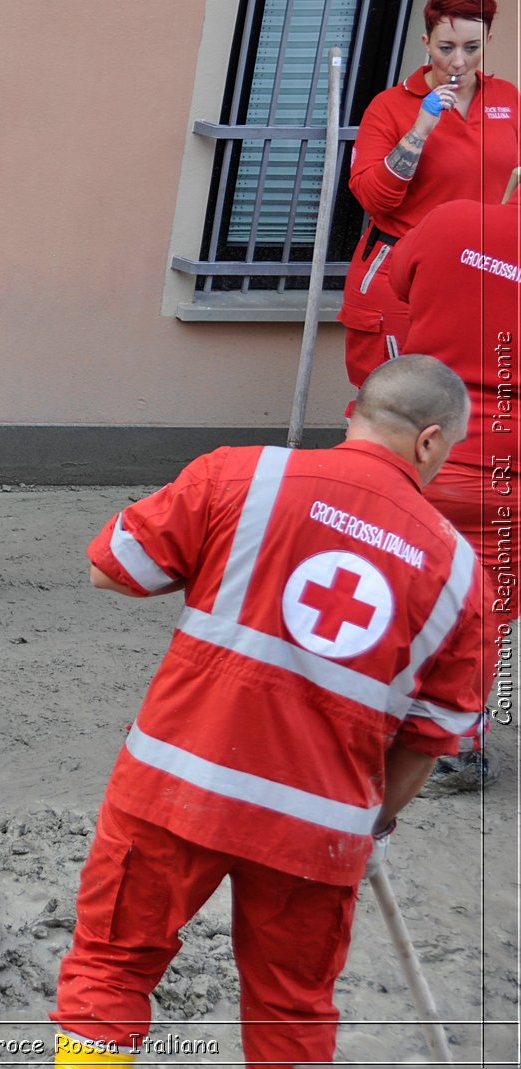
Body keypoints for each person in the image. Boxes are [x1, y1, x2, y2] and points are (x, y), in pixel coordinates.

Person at [52, 355, 492, 1067]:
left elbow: (113, 567)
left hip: (174, 788)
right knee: (291, 1012)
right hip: (318, 826)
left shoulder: (242, 475)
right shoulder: (463, 575)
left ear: (355, 410)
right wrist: (372, 820)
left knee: (110, 971)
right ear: (432, 442)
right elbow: (431, 737)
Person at [388, 178, 521, 791]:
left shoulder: (449, 221)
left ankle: (358, 717)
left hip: (416, 446)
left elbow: (397, 285)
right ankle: (457, 744)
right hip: (506, 470)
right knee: (485, 610)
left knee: (389, 582)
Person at [340, 0, 519, 392]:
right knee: (394, 402)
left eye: (472, 48)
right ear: (426, 42)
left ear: (488, 41)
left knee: (467, 402)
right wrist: (420, 129)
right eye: (446, 47)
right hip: (400, 271)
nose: (458, 61)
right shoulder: (389, 107)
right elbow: (373, 199)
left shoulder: (508, 99)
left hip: (480, 272)